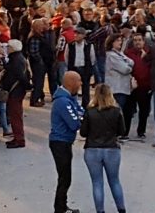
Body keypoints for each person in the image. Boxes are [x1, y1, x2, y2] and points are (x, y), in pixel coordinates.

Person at [80, 83, 127, 213]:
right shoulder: (116, 111)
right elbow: (122, 131)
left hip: (92, 149)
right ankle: (121, 209)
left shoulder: (89, 111)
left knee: (97, 183)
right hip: (111, 148)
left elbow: (83, 132)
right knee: (115, 181)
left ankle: (100, 211)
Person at [49, 71, 85, 213]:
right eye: (79, 81)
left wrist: (80, 116)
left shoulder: (70, 98)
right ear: (71, 83)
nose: (81, 84)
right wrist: (80, 118)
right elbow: (75, 123)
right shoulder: (63, 102)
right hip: (60, 143)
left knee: (65, 177)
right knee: (65, 178)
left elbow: (82, 112)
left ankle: (62, 206)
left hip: (65, 142)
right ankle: (60, 208)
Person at [1, 39, 30, 148]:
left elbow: (19, 75)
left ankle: (19, 139)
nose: (6, 48)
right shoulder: (19, 58)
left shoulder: (16, 59)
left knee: (15, 116)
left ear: (12, 48)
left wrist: (28, 86)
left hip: (15, 91)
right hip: (17, 90)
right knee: (15, 115)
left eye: (8, 47)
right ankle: (17, 137)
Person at [124, 32, 151, 139]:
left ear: (143, 42)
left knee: (144, 111)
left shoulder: (149, 53)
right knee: (128, 110)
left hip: (146, 87)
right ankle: (125, 131)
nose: (137, 42)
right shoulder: (127, 53)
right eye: (135, 40)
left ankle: (141, 131)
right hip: (132, 87)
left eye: (139, 40)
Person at [104, 34, 134, 110]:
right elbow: (125, 69)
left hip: (124, 88)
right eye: (117, 40)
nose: (120, 42)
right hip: (116, 89)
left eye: (121, 40)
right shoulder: (111, 55)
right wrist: (130, 67)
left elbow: (132, 62)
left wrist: (128, 65)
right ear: (111, 42)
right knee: (118, 111)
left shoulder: (120, 53)